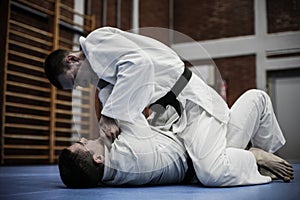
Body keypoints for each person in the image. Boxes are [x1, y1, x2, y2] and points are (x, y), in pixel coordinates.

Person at [44, 27, 294, 188]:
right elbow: (122, 119)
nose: (81, 85)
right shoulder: (105, 83)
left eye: (74, 80)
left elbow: (139, 63)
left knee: (211, 172)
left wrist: (109, 114)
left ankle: (256, 154)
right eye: (75, 88)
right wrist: (108, 118)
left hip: (189, 101)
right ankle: (255, 107)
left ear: (73, 59)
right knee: (214, 156)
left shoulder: (98, 42)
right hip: (169, 119)